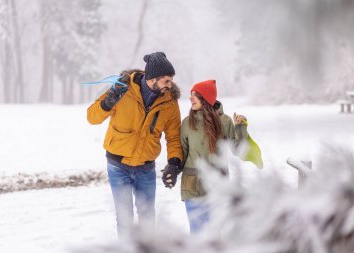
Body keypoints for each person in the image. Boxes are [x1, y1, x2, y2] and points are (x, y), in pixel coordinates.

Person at [87, 52, 183, 236]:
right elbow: (92, 117)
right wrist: (107, 103)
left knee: (148, 219)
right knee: (125, 219)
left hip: (146, 168)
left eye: (171, 80)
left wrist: (174, 163)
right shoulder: (122, 89)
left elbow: (173, 137)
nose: (169, 85)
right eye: (166, 81)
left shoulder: (169, 102)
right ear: (152, 79)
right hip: (118, 165)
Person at [162, 79, 262, 233]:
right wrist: (172, 169)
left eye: (195, 95)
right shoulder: (187, 123)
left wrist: (240, 128)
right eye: (190, 95)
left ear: (206, 98)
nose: (190, 98)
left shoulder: (225, 122)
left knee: (215, 234)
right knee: (197, 234)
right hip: (192, 186)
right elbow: (182, 153)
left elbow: (238, 150)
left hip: (217, 187)